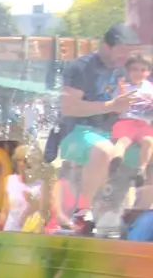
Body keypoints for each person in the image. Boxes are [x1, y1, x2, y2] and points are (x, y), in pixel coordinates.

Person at [57, 23, 137, 222]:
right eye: (121, 51)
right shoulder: (81, 68)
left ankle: (138, 215)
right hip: (76, 132)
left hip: (109, 133)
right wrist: (110, 105)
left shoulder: (121, 72)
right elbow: (68, 107)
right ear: (106, 46)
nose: (125, 57)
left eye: (129, 52)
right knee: (104, 151)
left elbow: (119, 106)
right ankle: (88, 211)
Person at [114, 54, 153, 175]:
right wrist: (120, 95)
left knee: (148, 141)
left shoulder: (150, 88)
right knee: (123, 141)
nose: (138, 73)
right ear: (128, 71)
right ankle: (116, 160)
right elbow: (115, 108)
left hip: (144, 124)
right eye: (134, 69)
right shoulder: (124, 88)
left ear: (148, 72)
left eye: (143, 70)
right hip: (126, 121)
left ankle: (141, 170)